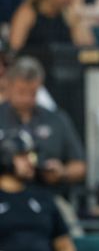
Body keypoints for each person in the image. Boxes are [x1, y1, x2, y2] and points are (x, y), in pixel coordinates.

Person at [0, 57, 86, 194]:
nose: (27, 99)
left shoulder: (56, 119)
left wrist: (62, 172)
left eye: (33, 93)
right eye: (21, 92)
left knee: (65, 214)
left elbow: (80, 166)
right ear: (8, 86)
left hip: (48, 195)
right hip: (5, 196)